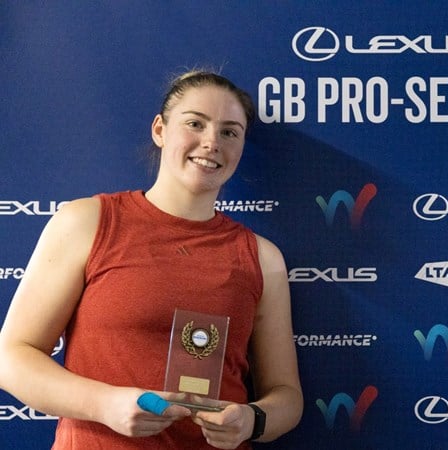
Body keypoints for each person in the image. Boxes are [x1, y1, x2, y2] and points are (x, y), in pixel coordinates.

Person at [0, 71, 303, 449]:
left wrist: (251, 420)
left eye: (230, 132)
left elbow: (286, 397)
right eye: (195, 123)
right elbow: (12, 357)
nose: (211, 142)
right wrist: (105, 404)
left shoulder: (261, 256)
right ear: (160, 130)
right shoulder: (88, 222)